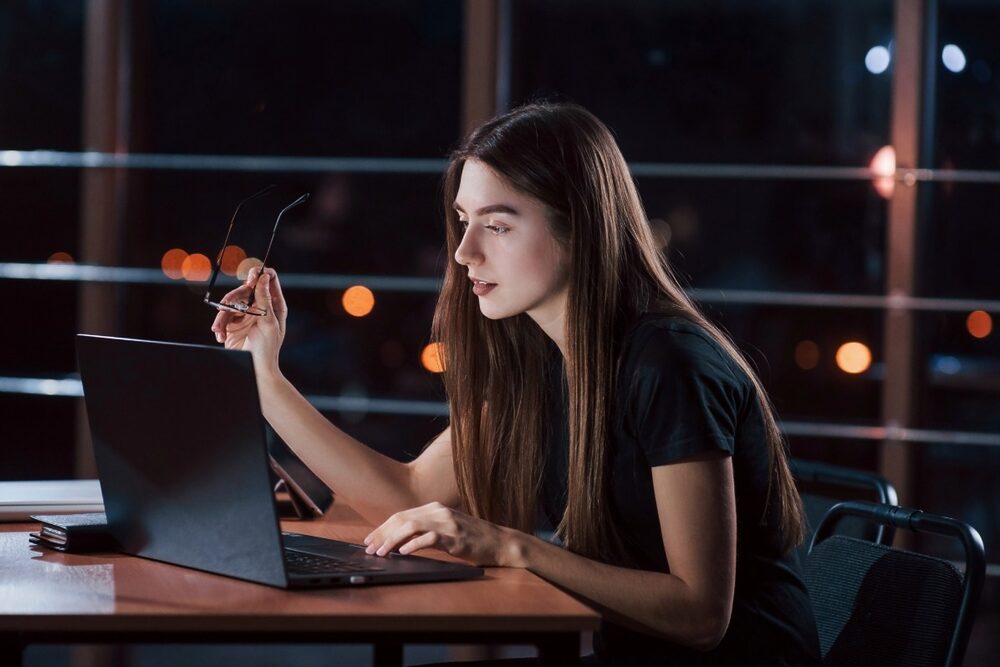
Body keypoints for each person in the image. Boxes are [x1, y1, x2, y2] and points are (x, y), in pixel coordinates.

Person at [211, 102, 821, 666]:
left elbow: (701, 615)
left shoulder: (668, 365)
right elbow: (410, 493)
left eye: (497, 226)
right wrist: (264, 375)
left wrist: (513, 547)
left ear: (579, 228)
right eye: (463, 221)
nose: (465, 253)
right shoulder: (541, 358)